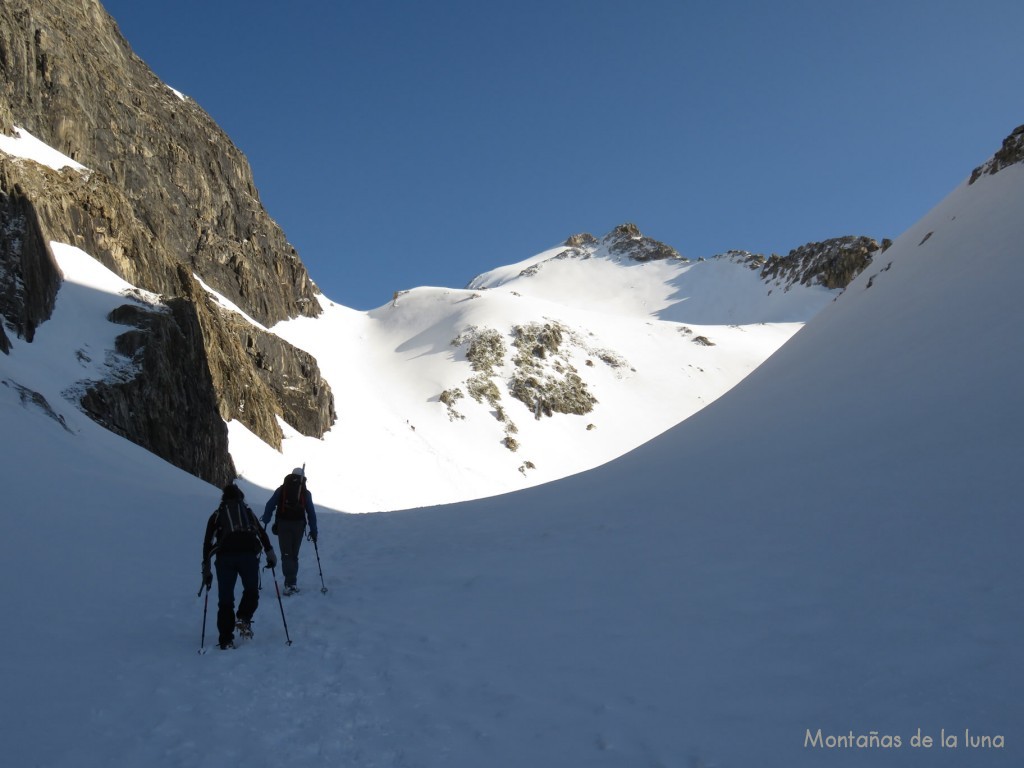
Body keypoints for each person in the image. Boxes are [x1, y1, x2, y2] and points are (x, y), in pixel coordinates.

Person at [202, 483, 277, 649]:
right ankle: (243, 617)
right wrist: (270, 553)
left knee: (226, 600)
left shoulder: (217, 515)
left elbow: (208, 542)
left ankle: (226, 640)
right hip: (248, 557)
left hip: (225, 559)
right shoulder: (247, 512)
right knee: (251, 591)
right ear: (240, 497)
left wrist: (206, 570)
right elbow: (261, 533)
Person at [262, 468, 318, 595]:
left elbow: (270, 504)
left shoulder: (282, 489)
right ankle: (292, 582)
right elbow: (311, 513)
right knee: (294, 555)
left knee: (286, 554)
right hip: (299, 526)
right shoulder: (305, 492)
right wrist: (313, 530)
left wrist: (266, 519)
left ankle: (290, 583)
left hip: (283, 524)